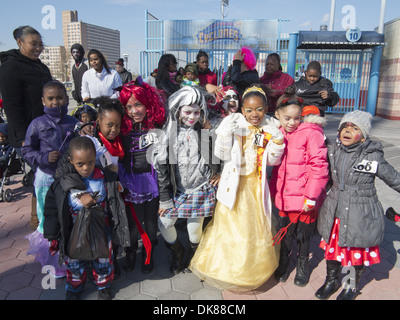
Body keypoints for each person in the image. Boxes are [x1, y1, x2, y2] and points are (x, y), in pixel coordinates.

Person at [189, 86, 285, 291]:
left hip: (256, 186)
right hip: (235, 185)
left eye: (259, 109)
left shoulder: (270, 127)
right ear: (242, 109)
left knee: (254, 229)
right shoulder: (233, 124)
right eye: (249, 110)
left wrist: (277, 140)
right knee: (230, 228)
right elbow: (222, 155)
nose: (254, 114)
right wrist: (224, 133)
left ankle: (250, 269)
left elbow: (274, 161)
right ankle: (227, 267)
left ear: (266, 108)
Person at [315, 110, 400, 300]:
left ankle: (350, 286)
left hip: (360, 215)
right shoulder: (332, 150)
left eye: (355, 128)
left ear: (363, 137)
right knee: (333, 249)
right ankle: (331, 280)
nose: (348, 130)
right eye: (345, 126)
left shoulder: (372, 156)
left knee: (355, 253)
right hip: (335, 209)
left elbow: (394, 179)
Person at [43, 136, 125, 300]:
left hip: (102, 227)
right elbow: (52, 209)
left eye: (91, 162)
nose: (86, 168)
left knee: (103, 258)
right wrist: (52, 234)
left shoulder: (104, 177)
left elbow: (114, 202)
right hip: (74, 230)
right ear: (71, 160)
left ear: (96, 159)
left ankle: (103, 285)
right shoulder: (63, 183)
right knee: (74, 260)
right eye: (80, 164)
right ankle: (74, 287)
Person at [154, 86, 221, 275]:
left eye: (197, 112)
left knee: (194, 230)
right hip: (177, 191)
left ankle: (192, 258)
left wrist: (219, 171)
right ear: (177, 110)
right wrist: (165, 198)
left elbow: (218, 155)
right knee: (165, 223)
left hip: (200, 187)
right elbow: (163, 170)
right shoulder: (168, 134)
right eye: (188, 111)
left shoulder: (205, 130)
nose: (192, 116)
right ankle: (177, 252)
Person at [270, 94, 329, 287]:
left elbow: (319, 166)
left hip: (304, 197)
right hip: (284, 197)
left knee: (304, 234)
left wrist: (312, 196)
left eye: (297, 118)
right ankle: (284, 262)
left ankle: (303, 263)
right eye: (288, 118)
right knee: (284, 232)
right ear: (278, 115)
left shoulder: (311, 132)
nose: (292, 122)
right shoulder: (278, 133)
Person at [21, 81, 79, 278]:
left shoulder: (73, 122)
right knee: (48, 221)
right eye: (51, 98)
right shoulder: (37, 124)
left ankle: (72, 257)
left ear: (67, 98)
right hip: (46, 179)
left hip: (69, 178)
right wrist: (44, 158)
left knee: (69, 216)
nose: (56, 102)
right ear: (43, 100)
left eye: (60, 98)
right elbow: (27, 150)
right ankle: (53, 262)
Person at [118, 77, 166, 273]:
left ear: (148, 104)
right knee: (131, 223)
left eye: (138, 104)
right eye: (129, 107)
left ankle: (149, 254)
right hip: (129, 182)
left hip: (152, 181)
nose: (134, 110)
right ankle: (130, 252)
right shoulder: (121, 129)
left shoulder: (157, 126)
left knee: (151, 223)